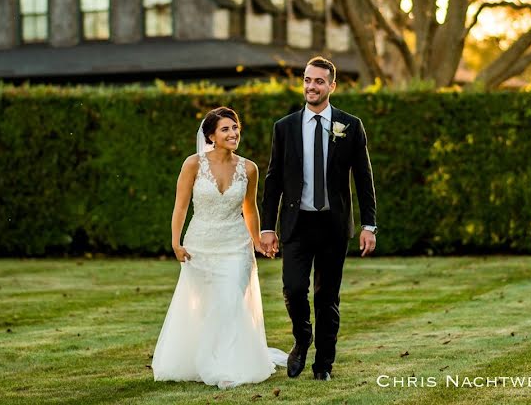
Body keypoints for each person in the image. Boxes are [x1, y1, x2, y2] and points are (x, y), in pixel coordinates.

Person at [259, 56, 378, 381]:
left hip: (333, 225)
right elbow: (273, 180)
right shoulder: (284, 128)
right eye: (308, 80)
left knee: (327, 297)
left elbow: (364, 178)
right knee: (294, 289)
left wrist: (370, 224)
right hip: (297, 225)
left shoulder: (350, 125)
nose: (312, 86)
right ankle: (302, 339)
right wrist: (267, 227)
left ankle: (324, 364)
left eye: (319, 81)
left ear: (332, 86)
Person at [152, 107, 287, 389]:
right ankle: (205, 357)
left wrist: (258, 240)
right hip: (200, 245)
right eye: (225, 129)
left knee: (230, 302)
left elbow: (249, 209)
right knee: (208, 308)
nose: (233, 133)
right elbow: (181, 206)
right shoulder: (193, 164)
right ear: (211, 135)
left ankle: (220, 365)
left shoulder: (249, 168)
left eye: (235, 127)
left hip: (236, 245)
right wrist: (175, 242)